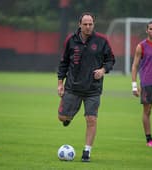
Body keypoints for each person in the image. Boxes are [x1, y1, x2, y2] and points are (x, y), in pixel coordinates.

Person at [57, 12, 115, 162]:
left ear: (93, 25)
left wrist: (103, 70)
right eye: (85, 24)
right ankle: (68, 117)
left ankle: (86, 152)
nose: (88, 27)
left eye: (90, 24)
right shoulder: (71, 40)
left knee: (91, 119)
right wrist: (60, 83)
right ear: (80, 24)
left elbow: (110, 60)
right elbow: (63, 62)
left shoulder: (102, 41)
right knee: (62, 117)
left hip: (93, 89)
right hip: (72, 87)